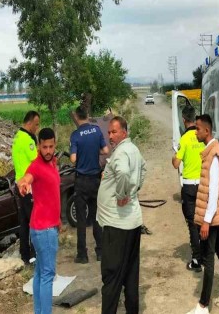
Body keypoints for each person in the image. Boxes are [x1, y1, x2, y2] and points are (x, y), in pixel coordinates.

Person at [188, 114, 219, 314]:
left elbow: (214, 191)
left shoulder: (214, 155)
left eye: (198, 129)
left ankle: (202, 306)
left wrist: (206, 221)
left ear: (207, 131)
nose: (195, 133)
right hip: (216, 215)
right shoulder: (213, 151)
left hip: (213, 216)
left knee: (208, 259)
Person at [97, 116, 146, 314]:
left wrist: (123, 195)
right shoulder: (133, 149)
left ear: (124, 132)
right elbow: (143, 169)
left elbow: (124, 173)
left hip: (116, 225)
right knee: (130, 274)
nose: (110, 136)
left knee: (112, 277)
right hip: (132, 224)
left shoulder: (121, 153)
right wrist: (134, 189)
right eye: (109, 132)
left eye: (114, 132)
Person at [17, 128, 61, 314]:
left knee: (40, 272)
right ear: (38, 147)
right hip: (44, 229)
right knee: (47, 275)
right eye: (44, 147)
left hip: (45, 226)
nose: (48, 150)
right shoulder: (35, 165)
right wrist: (24, 184)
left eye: (51, 146)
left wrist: (59, 221)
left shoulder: (52, 162)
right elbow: (26, 178)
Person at [70, 106, 110, 264]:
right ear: (87, 115)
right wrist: (94, 152)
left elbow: (73, 159)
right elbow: (106, 150)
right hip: (95, 180)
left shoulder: (75, 135)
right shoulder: (97, 130)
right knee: (96, 218)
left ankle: (82, 255)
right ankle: (100, 251)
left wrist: (81, 152)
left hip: (81, 181)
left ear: (77, 117)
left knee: (81, 219)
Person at [171, 104, 204, 272]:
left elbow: (176, 163)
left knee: (192, 223)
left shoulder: (183, 139)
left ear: (184, 120)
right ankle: (207, 255)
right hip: (205, 186)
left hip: (190, 187)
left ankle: (197, 260)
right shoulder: (202, 135)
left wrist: (175, 154)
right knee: (205, 221)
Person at [12, 110, 40, 264]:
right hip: (28, 186)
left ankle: (25, 255)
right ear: (29, 123)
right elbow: (37, 161)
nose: (37, 128)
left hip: (19, 184)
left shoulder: (17, 137)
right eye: (36, 125)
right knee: (34, 220)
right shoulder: (27, 140)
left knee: (24, 222)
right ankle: (35, 254)